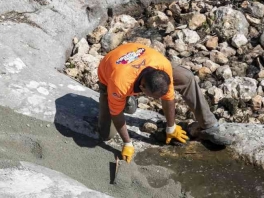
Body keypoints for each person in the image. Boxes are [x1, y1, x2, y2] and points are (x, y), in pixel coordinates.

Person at [97, 42, 233, 162]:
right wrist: (127, 143)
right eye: (154, 96)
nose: (157, 100)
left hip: (141, 56)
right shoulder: (119, 83)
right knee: (106, 134)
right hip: (110, 73)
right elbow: (116, 114)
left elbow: (168, 97)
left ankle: (209, 125)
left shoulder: (163, 66)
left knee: (186, 77)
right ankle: (124, 99)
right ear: (142, 88)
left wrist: (171, 127)